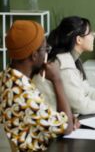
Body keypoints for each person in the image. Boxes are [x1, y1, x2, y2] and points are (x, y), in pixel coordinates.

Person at [0, 20, 76, 151]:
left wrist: (65, 118)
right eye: (45, 49)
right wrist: (57, 80)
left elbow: (41, 115)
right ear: (34, 55)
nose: (47, 53)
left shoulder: (7, 77)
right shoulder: (24, 94)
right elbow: (67, 127)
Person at [33, 16, 95, 115]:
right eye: (90, 32)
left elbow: (86, 92)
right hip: (52, 123)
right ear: (79, 40)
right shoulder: (63, 64)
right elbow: (82, 107)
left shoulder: (71, 60)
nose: (94, 34)